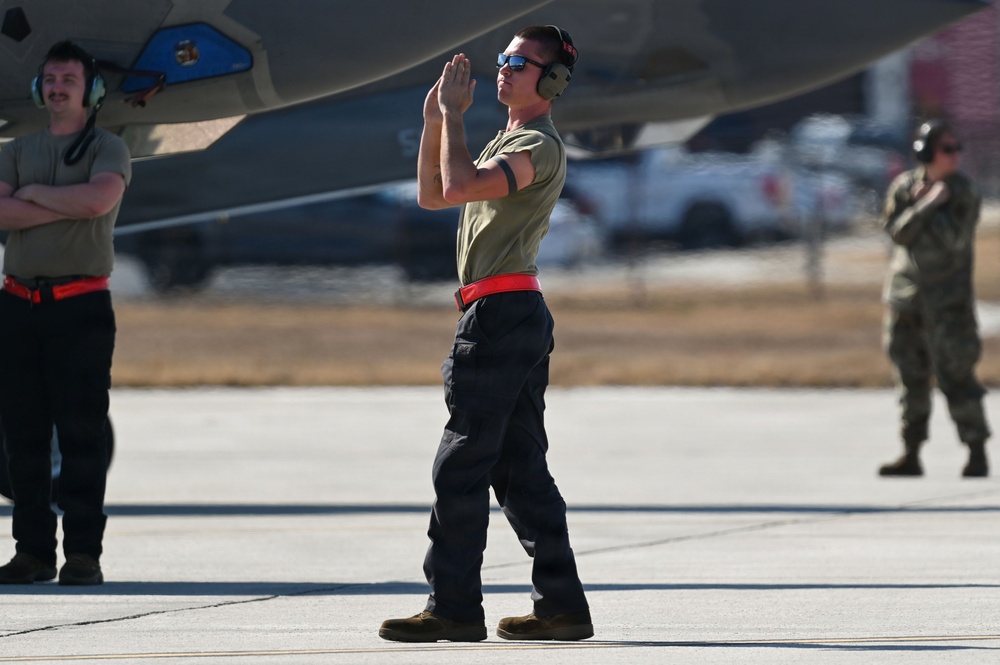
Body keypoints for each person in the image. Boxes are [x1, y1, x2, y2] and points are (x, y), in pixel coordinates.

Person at [379, 26, 592, 642]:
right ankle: (562, 607)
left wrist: (454, 116)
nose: (503, 68)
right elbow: (432, 195)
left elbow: (459, 187)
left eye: (520, 63)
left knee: (461, 463)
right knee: (519, 468)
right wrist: (435, 121)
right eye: (504, 59)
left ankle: (452, 606)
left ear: (550, 81)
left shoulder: (537, 145)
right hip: (503, 315)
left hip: (500, 317)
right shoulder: (507, 137)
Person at [0, 41, 130, 585]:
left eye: (69, 80)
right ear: (40, 88)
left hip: (81, 306)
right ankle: (31, 553)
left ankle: (82, 556)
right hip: (18, 302)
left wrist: (31, 197)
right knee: (22, 435)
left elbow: (97, 202)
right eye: (50, 79)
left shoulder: (109, 147)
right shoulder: (15, 148)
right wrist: (61, 199)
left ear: (89, 90)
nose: (57, 88)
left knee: (81, 435)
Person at [878, 119, 989, 478]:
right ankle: (911, 452)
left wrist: (936, 205)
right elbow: (898, 233)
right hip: (907, 300)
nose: (954, 156)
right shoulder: (904, 187)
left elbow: (955, 243)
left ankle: (976, 451)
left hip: (948, 304)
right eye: (947, 149)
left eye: (957, 149)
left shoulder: (964, 192)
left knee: (957, 377)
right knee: (910, 379)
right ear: (926, 152)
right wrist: (924, 205)